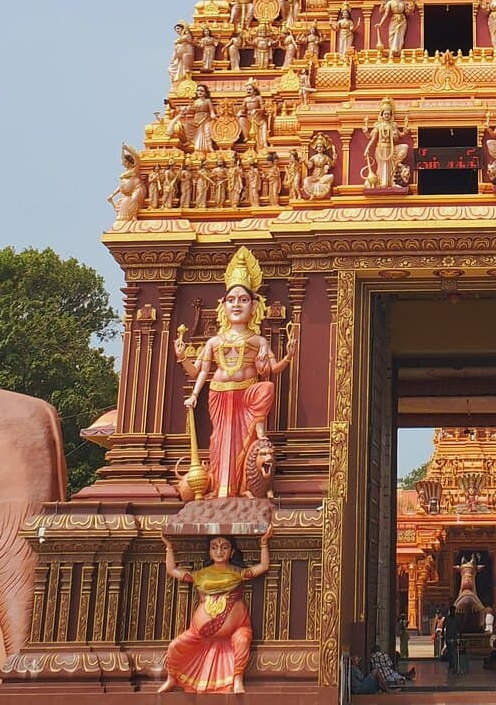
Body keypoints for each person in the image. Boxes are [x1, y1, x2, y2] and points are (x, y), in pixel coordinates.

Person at [178, 248, 296, 498]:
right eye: (231, 300)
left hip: (247, 396)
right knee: (220, 442)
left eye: (243, 300)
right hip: (220, 394)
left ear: (254, 306)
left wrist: (287, 356)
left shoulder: (258, 340)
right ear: (223, 306)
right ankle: (223, 489)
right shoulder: (214, 341)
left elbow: (270, 371)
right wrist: (184, 365)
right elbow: (199, 372)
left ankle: (245, 484)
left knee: (265, 392)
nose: (237, 305)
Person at [158, 527, 271, 695]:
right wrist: (169, 547)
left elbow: (263, 566)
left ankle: (237, 679)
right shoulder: (200, 575)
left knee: (242, 641)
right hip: (200, 633)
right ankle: (171, 679)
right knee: (174, 646)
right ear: (209, 553)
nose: (219, 551)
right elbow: (172, 570)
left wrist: (263, 543)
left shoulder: (238, 573)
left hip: (236, 628)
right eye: (214, 547)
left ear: (232, 552)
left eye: (224, 547)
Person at [443, 604, 461, 674]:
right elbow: (444, 626)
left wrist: (460, 635)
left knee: (454, 653)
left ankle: (454, 666)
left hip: (454, 638)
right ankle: (451, 666)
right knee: (450, 653)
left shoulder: (457, 619)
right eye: (452, 611)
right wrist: (442, 634)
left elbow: (459, 627)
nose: (453, 612)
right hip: (448, 638)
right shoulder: (447, 618)